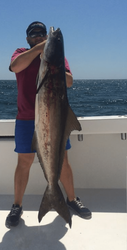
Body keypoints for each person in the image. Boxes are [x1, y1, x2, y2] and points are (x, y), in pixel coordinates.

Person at [6, 21, 91, 228]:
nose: (39, 36)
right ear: (27, 38)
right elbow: (15, 67)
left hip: (55, 117)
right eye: (34, 34)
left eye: (42, 33)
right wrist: (39, 50)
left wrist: (52, 61)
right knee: (23, 163)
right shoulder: (21, 53)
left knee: (63, 163)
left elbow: (69, 81)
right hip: (26, 118)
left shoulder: (57, 58)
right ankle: (17, 206)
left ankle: (71, 200)